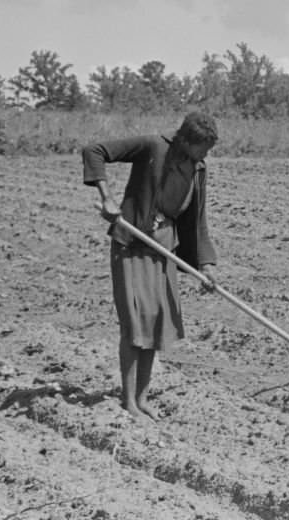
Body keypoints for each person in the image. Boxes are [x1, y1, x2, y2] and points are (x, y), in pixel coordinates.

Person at [82, 112, 220, 420]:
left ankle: (142, 399)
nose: (206, 155)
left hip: (164, 247)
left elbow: (197, 220)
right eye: (204, 148)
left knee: (155, 319)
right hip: (131, 242)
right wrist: (107, 198)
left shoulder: (198, 169)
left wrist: (207, 264)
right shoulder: (152, 147)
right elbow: (94, 150)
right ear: (184, 140)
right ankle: (127, 400)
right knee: (135, 322)